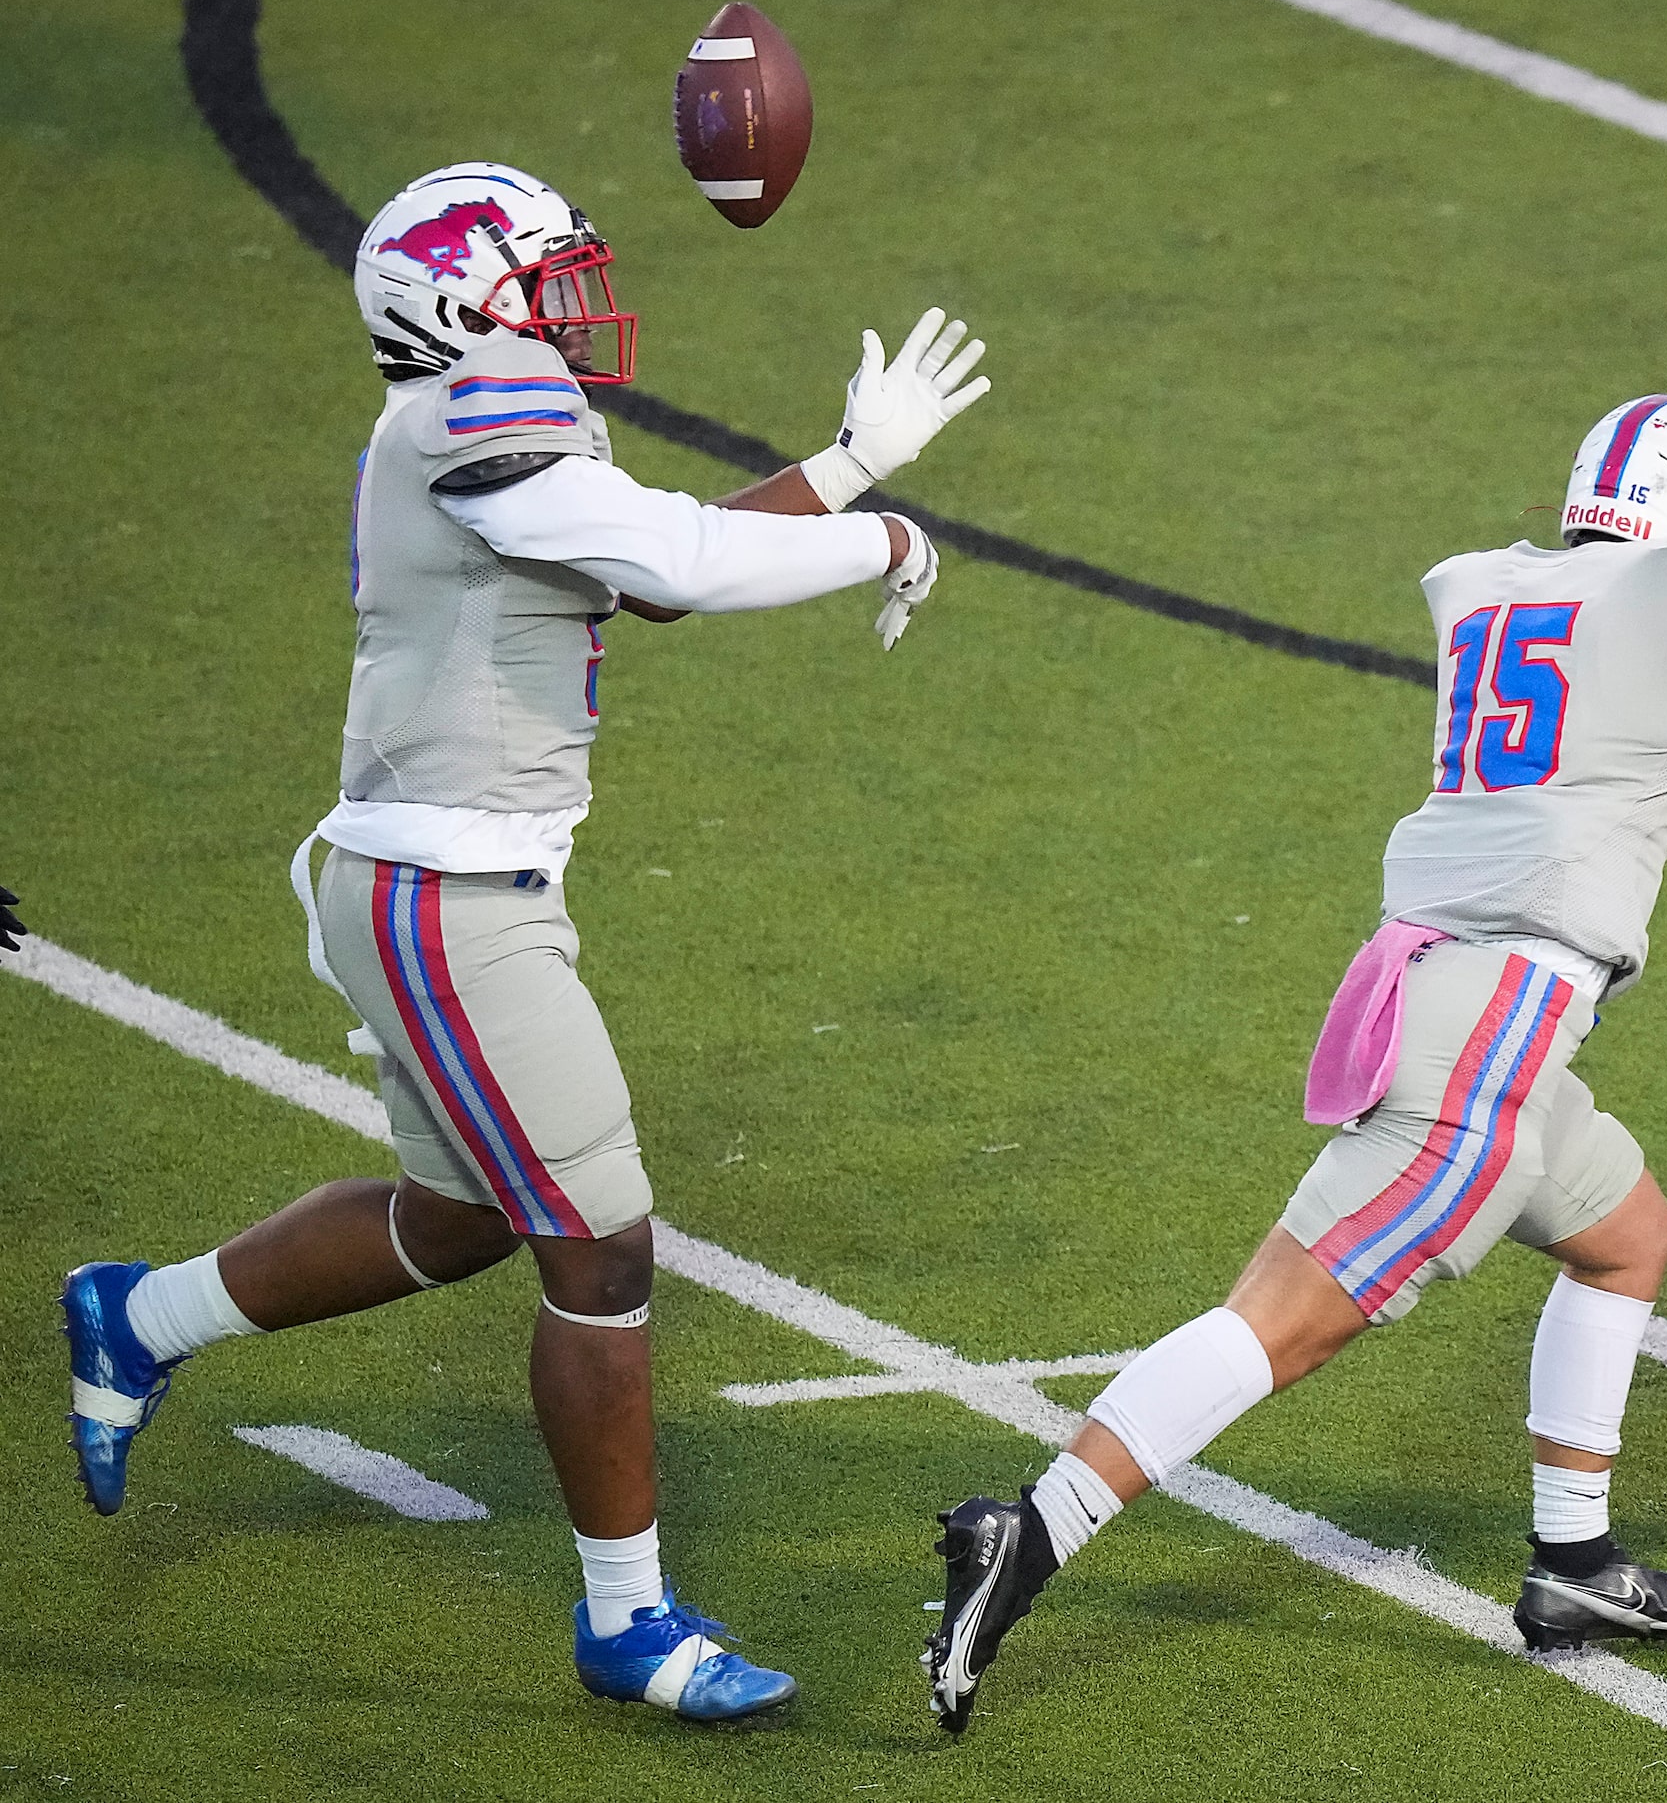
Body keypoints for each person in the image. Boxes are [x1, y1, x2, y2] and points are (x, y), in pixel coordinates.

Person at [60, 161, 991, 1721]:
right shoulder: (470, 409)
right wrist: (879, 536)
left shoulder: (485, 418)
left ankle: (138, 1313)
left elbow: (655, 569)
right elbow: (681, 562)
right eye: (536, 273)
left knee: (462, 1215)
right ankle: (627, 1622)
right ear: (454, 297)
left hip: (442, 883)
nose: (566, 301)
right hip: (448, 899)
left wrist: (837, 468)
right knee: (602, 1243)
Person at [920, 395, 1667, 1732]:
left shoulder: (1510, 586)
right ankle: (1030, 1528)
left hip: (1448, 988)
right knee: (1285, 1314)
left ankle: (1575, 1567)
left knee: (1625, 1231)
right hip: (1496, 1016)